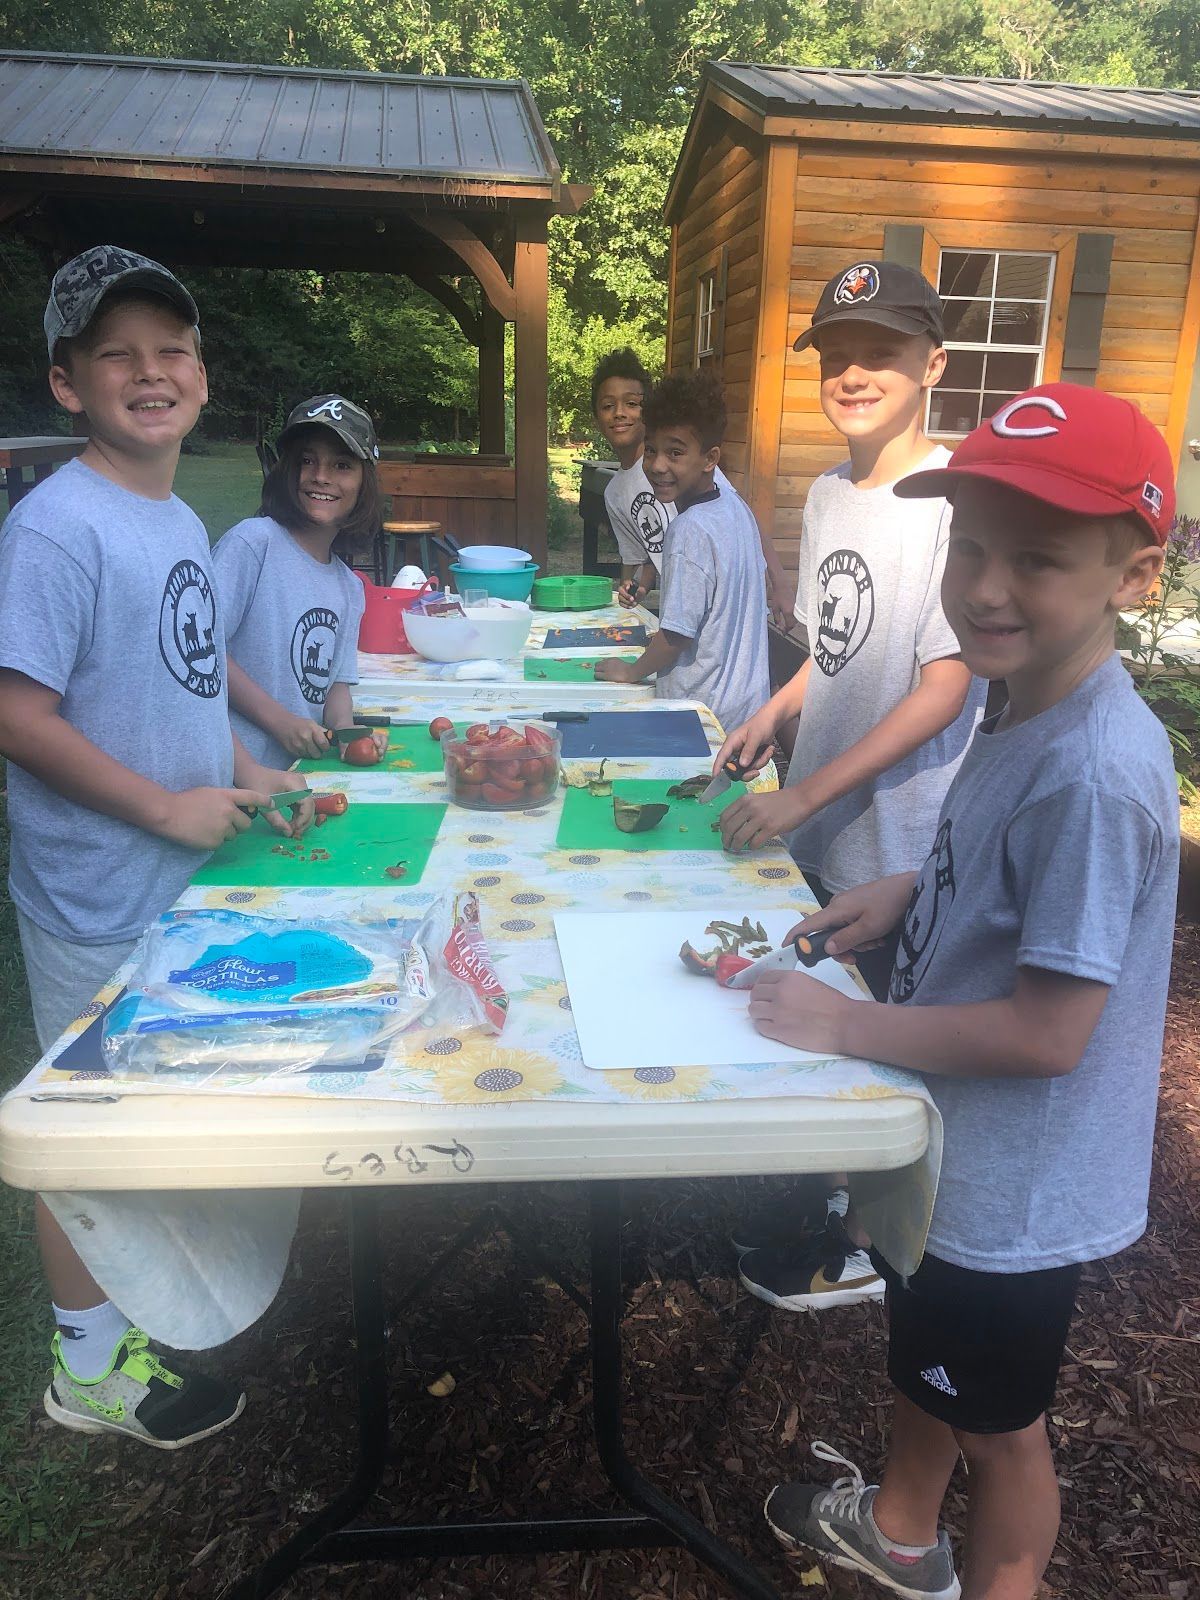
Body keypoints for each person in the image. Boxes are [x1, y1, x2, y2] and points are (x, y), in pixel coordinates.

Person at [755, 384, 1179, 1600]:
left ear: (1134, 576)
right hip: (956, 1156)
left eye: (1037, 560)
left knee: (1002, 1428)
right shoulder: (1027, 702)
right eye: (972, 549)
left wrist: (850, 1023)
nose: (987, 588)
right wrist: (898, 895)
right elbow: (996, 890)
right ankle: (896, 1530)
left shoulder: (1096, 771)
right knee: (926, 1362)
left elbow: (1051, 1032)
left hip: (1013, 1186)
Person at [0, 245, 312, 1448]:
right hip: (95, 893)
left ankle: (169, 1297)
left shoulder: (182, 514)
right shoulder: (56, 529)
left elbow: (180, 686)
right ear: (67, 382)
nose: (149, 371)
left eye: (170, 350)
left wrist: (249, 774)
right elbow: (18, 715)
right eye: (114, 353)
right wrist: (163, 809)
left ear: (202, 374)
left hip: (182, 870)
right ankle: (87, 1369)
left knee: (169, 1104)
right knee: (86, 1137)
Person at [716, 261, 986, 1314]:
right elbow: (833, 643)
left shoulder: (952, 502)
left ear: (935, 364)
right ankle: (836, 1201)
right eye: (835, 356)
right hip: (821, 811)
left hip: (900, 830)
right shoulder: (831, 491)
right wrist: (778, 710)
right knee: (830, 1000)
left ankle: (873, 1245)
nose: (854, 373)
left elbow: (944, 683)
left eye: (880, 352)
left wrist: (803, 789)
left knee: (883, 1025)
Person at [595, 371, 770, 735]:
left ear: (710, 459)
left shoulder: (689, 530)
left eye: (676, 452)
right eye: (653, 450)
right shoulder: (735, 509)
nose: (659, 465)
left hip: (697, 717)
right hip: (744, 708)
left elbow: (675, 636)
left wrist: (630, 671)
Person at [214, 394, 381, 771]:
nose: (321, 476)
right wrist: (279, 721)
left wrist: (346, 731)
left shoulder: (349, 588)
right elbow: (202, 652)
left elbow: (336, 684)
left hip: (294, 775)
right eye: (308, 460)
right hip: (227, 771)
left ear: (363, 481)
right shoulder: (253, 543)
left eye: (341, 465)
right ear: (288, 470)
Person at [590, 347, 792, 625]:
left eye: (632, 404)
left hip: (723, 607)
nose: (620, 413)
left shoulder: (684, 465)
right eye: (608, 405)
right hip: (682, 612)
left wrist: (780, 582)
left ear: (648, 412)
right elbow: (645, 555)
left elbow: (743, 515)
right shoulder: (615, 494)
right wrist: (636, 589)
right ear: (596, 416)